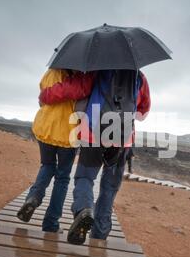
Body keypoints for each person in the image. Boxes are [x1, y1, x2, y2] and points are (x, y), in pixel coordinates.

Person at [39, 70, 151, 243]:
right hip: (123, 138)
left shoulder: (98, 69)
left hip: (93, 133)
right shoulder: (139, 77)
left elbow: (77, 89)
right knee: (109, 188)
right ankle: (100, 234)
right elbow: (143, 111)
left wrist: (46, 95)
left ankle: (83, 209)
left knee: (85, 177)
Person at [17, 69, 95, 232]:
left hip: (45, 127)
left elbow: (42, 98)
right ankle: (51, 223)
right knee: (62, 178)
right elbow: (84, 103)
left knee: (47, 165)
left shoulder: (51, 72)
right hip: (67, 132)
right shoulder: (82, 78)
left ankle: (33, 198)